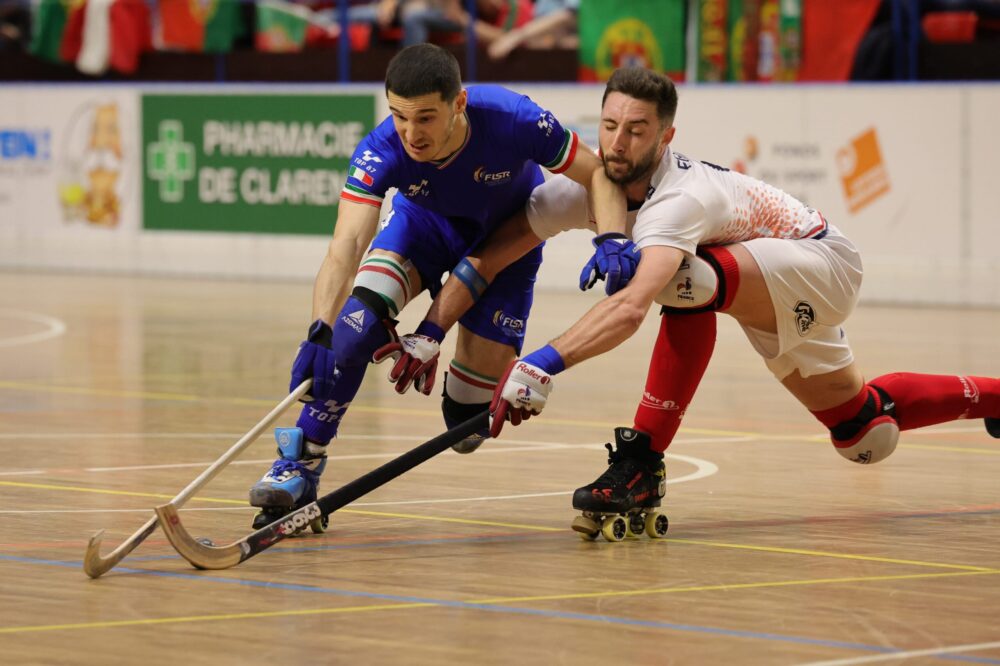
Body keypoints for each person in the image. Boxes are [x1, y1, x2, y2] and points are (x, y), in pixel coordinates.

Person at [387, 66, 1000, 537]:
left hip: (821, 264)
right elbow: (489, 257)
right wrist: (432, 329)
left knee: (682, 280)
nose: (618, 143)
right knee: (864, 432)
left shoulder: (680, 200)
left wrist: (541, 363)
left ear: (666, 136)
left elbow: (632, 306)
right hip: (762, 280)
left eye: (637, 130)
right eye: (609, 126)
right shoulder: (587, 188)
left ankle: (641, 462)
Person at [247, 43, 625, 530]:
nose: (411, 133)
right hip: (422, 231)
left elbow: (596, 172)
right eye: (399, 116)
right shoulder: (381, 148)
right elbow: (345, 247)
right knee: (353, 328)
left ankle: (455, 366)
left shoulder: (514, 118)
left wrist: (612, 238)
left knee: (467, 427)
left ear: (459, 103)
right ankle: (301, 464)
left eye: (425, 117)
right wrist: (321, 328)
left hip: (507, 243)